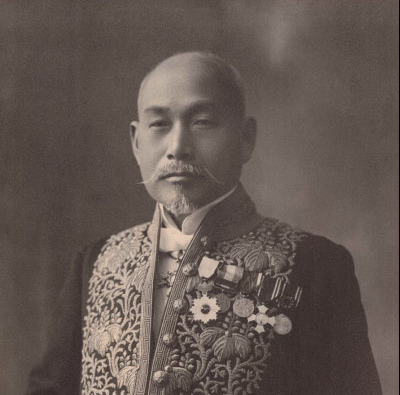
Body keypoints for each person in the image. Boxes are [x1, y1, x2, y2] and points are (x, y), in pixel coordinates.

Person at [27, 51, 382, 395]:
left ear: (246, 138)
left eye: (202, 122)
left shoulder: (316, 266)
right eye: (159, 124)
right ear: (136, 142)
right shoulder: (94, 263)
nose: (177, 147)